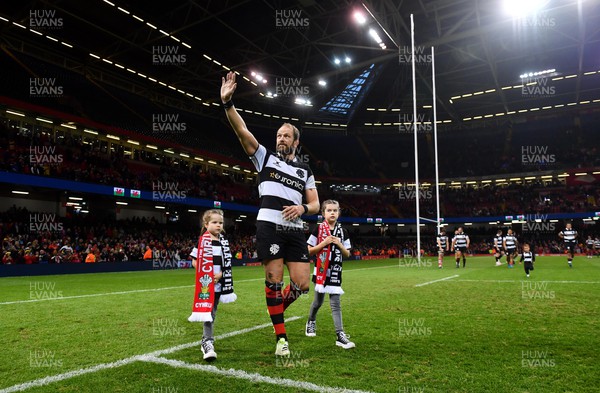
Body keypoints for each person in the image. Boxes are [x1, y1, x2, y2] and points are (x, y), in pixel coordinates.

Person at [221, 71, 320, 357]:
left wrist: (303, 208)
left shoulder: (305, 170)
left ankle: (274, 308)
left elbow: (315, 204)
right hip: (269, 226)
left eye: (286, 135)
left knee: (302, 283)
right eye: (278, 134)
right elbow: (243, 133)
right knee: (274, 278)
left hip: (295, 229)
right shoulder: (265, 157)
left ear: (296, 142)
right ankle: (281, 338)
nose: (281, 138)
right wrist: (228, 104)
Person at [188, 209, 237, 361]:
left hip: (219, 285)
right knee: (208, 313)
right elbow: (194, 260)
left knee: (212, 313)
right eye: (214, 222)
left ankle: (206, 340)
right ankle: (207, 342)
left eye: (220, 223)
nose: (218, 225)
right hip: (206, 285)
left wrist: (221, 274)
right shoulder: (202, 241)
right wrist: (206, 275)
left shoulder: (223, 242)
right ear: (206, 224)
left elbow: (226, 263)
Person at [305, 200, 354, 349]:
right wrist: (324, 243)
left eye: (335, 210)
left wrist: (339, 244)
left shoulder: (343, 232)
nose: (332, 213)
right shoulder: (317, 230)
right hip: (320, 272)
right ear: (323, 213)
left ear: (339, 212)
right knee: (318, 302)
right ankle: (311, 321)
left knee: (335, 304)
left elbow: (347, 254)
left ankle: (340, 335)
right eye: (329, 210)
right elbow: (308, 251)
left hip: (335, 272)